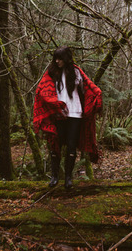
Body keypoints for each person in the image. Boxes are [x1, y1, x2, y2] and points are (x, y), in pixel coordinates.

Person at [32, 46, 102, 189]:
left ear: (66, 58)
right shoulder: (51, 73)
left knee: (71, 146)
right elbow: (41, 90)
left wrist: (96, 95)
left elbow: (88, 88)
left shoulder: (76, 72)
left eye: (60, 58)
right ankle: (55, 177)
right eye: (55, 58)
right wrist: (52, 102)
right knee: (55, 145)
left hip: (75, 113)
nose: (57, 61)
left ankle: (68, 178)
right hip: (59, 114)